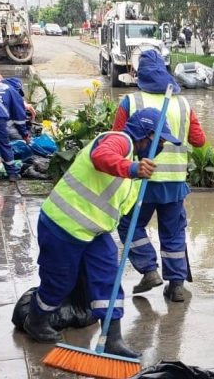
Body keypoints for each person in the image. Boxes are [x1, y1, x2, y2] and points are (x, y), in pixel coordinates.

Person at [22, 108, 170, 356]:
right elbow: (101, 156)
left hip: (94, 232)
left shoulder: (136, 167)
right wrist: (132, 168)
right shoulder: (119, 141)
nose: (163, 145)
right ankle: (35, 321)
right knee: (59, 283)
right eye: (161, 140)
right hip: (62, 225)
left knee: (108, 279)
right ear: (147, 134)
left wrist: (135, 173)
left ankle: (112, 339)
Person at [112, 50, 207, 302]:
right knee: (173, 233)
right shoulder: (183, 104)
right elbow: (199, 141)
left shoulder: (130, 102)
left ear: (139, 75)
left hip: (140, 180)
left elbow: (116, 140)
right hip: (174, 184)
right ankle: (176, 285)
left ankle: (149, 269)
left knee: (129, 226)